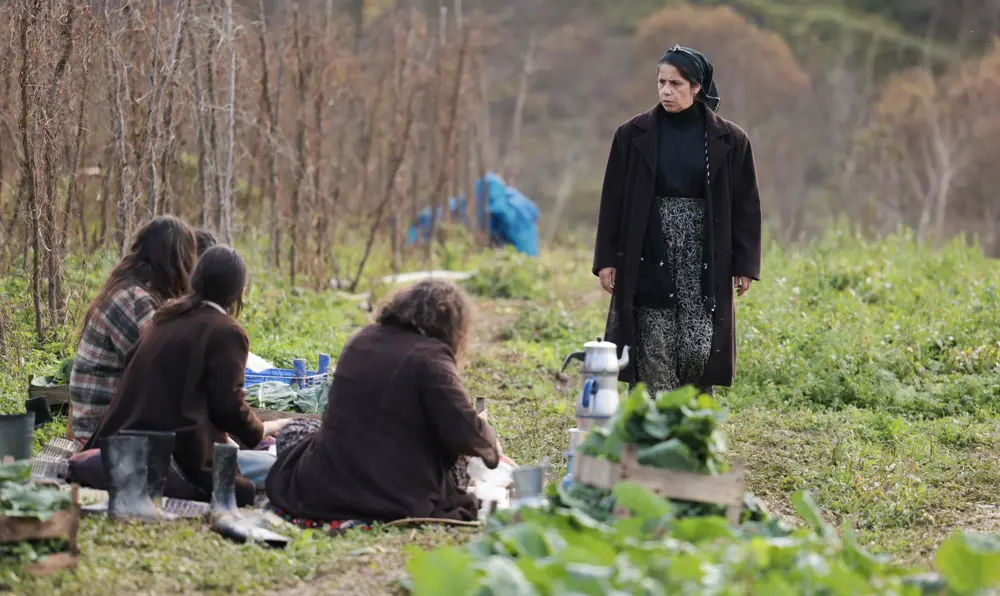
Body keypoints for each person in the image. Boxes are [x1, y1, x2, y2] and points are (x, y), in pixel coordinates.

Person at [593, 45, 762, 396]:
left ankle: (689, 425)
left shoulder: (731, 140)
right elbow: (612, 202)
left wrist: (745, 263)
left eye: (676, 84)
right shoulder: (632, 135)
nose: (666, 91)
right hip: (649, 246)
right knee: (655, 346)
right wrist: (607, 260)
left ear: (697, 86)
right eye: (661, 82)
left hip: (705, 253)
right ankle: (654, 432)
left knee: (698, 349)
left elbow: (746, 207)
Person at [265, 279, 502, 528]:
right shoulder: (431, 358)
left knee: (296, 432)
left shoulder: (362, 338)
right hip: (389, 492)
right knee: (458, 466)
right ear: (452, 326)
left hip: (325, 482)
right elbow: (464, 430)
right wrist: (489, 441)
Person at [82, 245, 289, 506]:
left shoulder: (164, 319)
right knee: (278, 465)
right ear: (240, 291)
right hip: (176, 456)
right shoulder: (226, 331)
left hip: (123, 443)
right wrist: (262, 430)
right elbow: (228, 407)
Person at [70, 216, 197, 444]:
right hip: (102, 439)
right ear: (176, 260)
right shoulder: (133, 300)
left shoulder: (136, 292)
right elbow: (165, 371)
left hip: (108, 429)